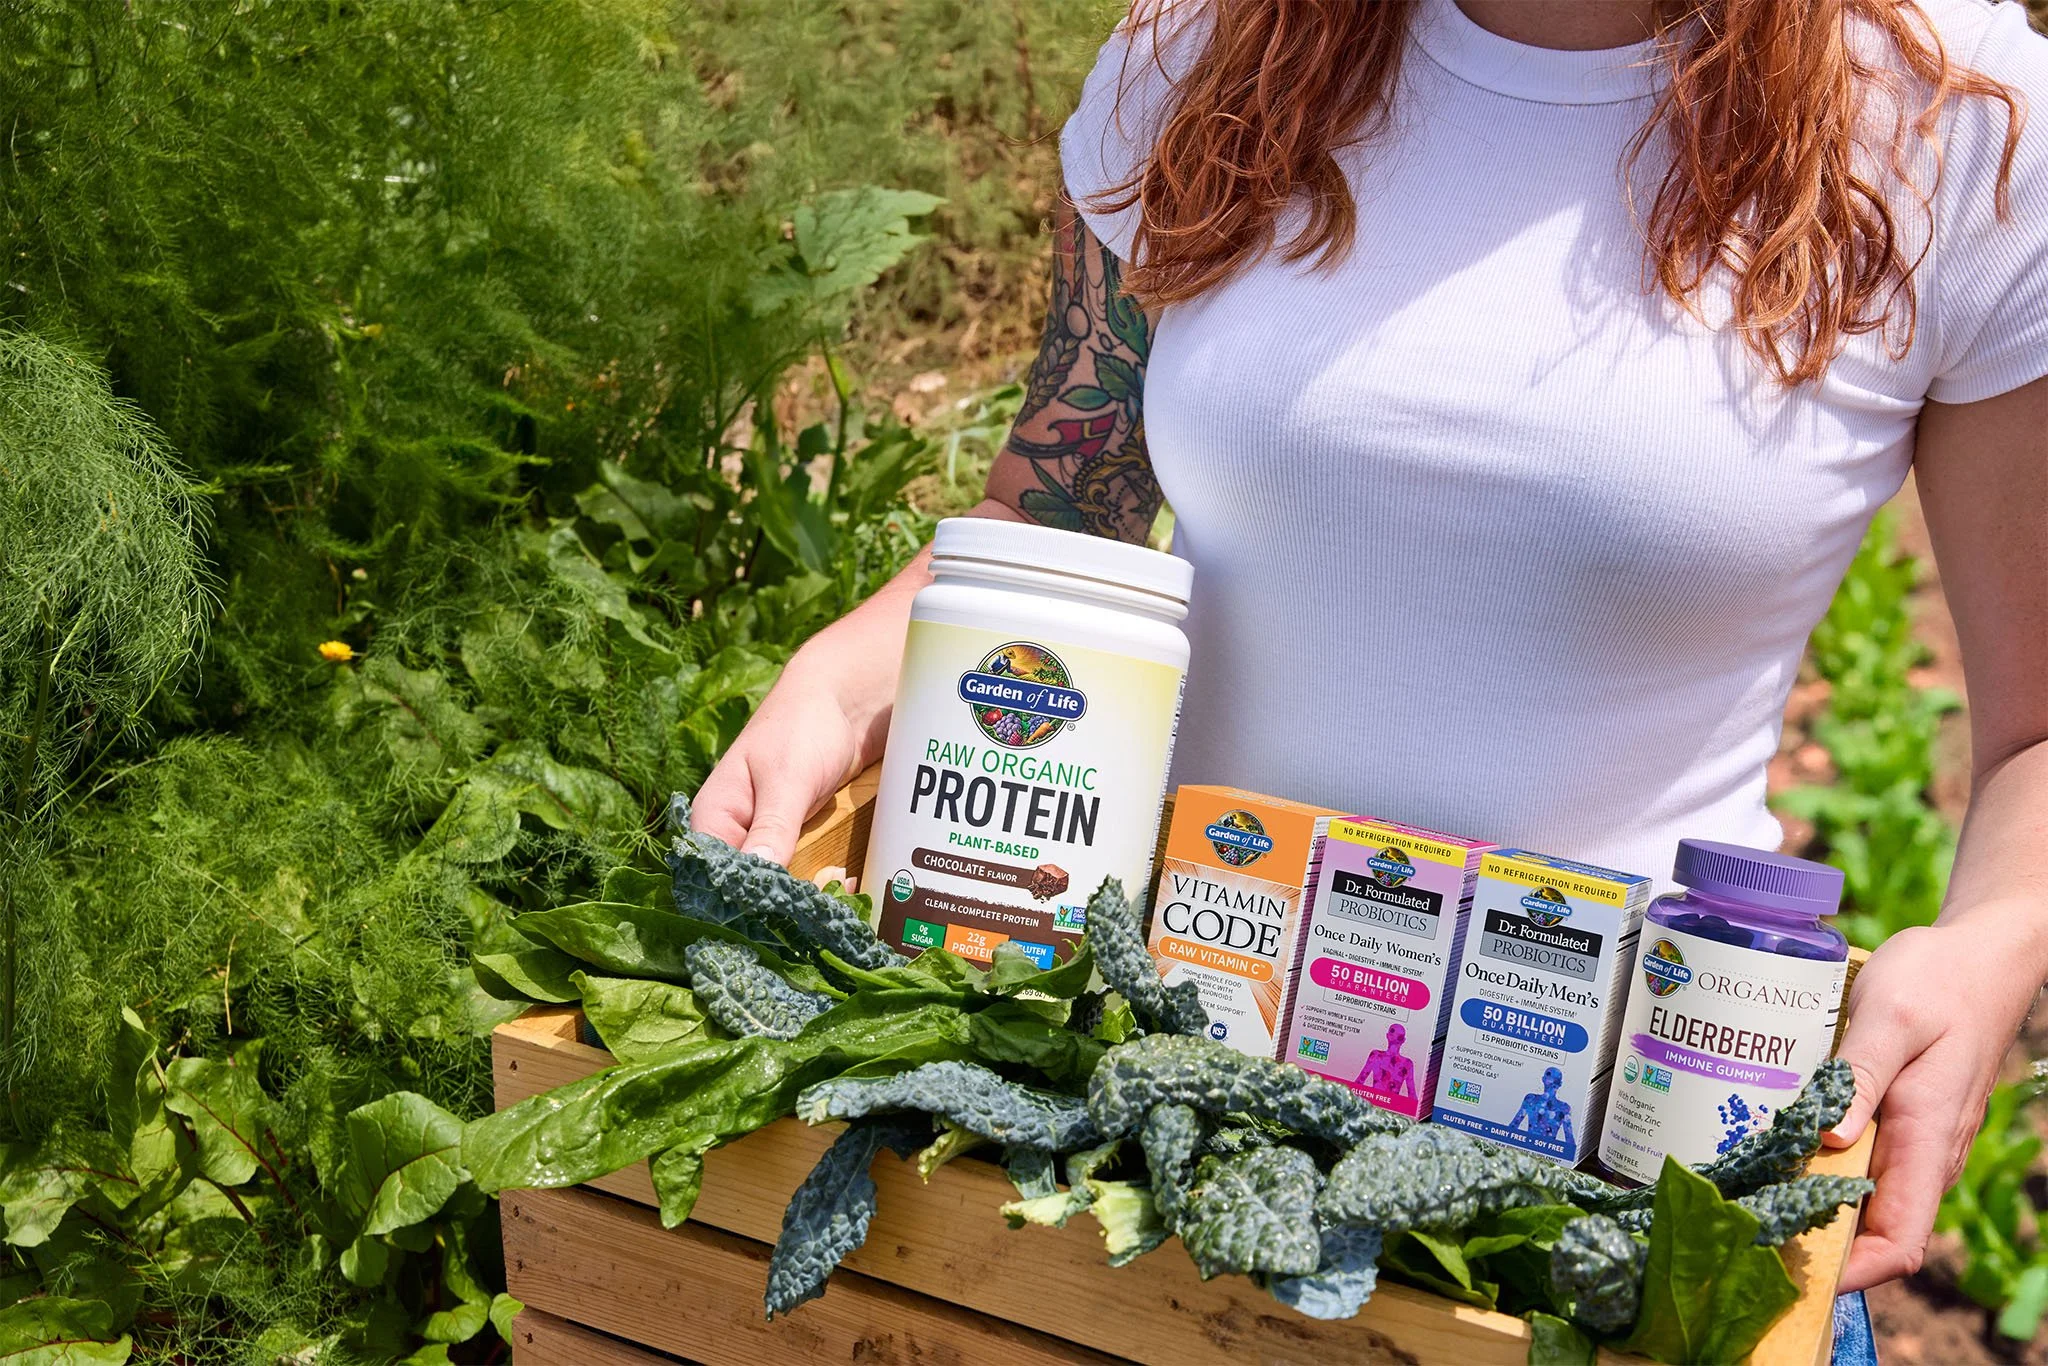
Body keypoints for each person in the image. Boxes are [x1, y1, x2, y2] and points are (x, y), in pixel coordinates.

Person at [697, 0, 2048, 1302]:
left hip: (1594, 1197)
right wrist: (850, 667)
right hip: (1162, 1121)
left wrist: (1992, 944)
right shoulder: (1210, 42)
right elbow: (1054, 510)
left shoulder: (1958, 119)